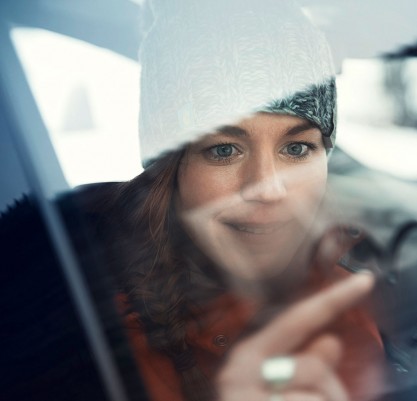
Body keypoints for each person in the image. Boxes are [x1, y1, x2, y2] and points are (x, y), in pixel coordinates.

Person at [93, 1, 387, 400]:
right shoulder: (92, 333)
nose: (268, 188)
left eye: (297, 149)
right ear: (170, 168)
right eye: (224, 150)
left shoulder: (346, 301)